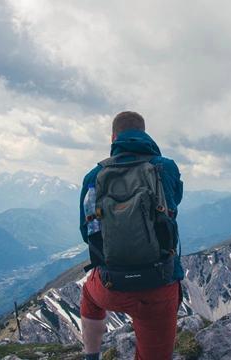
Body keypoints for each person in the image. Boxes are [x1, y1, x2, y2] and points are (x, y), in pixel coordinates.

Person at [79, 111, 184, 360]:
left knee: (88, 297)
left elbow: (88, 232)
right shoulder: (165, 168)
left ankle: (91, 356)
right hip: (158, 286)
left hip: (111, 285)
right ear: (145, 133)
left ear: (113, 137)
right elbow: (174, 204)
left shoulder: (94, 177)